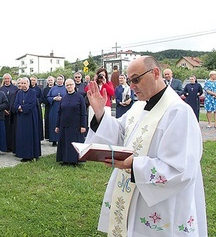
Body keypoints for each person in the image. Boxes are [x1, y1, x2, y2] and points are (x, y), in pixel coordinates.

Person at [85, 56, 207, 236]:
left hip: (162, 204)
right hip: (133, 193)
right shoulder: (138, 107)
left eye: (136, 79)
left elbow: (181, 169)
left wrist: (133, 165)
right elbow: (120, 133)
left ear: (155, 73)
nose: (131, 85)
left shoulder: (179, 112)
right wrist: (100, 113)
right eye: (129, 80)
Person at [54, 79, 86, 166]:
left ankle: (74, 161)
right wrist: (57, 125)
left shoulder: (80, 97)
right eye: (67, 85)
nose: (69, 87)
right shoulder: (64, 98)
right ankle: (65, 159)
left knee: (73, 143)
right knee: (64, 142)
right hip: (64, 124)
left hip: (75, 125)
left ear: (74, 85)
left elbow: (83, 113)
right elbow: (59, 112)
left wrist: (83, 125)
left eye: (71, 85)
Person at [13, 77, 41, 162]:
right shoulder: (19, 93)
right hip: (21, 118)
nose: (23, 85)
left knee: (30, 135)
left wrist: (22, 108)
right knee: (22, 135)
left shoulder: (33, 92)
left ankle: (31, 155)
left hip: (30, 117)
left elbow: (32, 104)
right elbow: (15, 104)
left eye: (24, 83)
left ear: (28, 84)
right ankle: (23, 155)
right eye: (21, 83)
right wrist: (19, 108)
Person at [0, 73, 19, 152]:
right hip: (3, 112)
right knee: (5, 130)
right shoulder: (1, 89)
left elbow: (16, 99)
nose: (7, 80)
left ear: (10, 79)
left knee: (12, 129)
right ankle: (5, 146)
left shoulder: (15, 88)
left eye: (8, 79)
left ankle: (12, 146)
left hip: (12, 112)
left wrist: (11, 110)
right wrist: (4, 110)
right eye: (5, 79)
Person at [47, 75, 67, 146]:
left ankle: (62, 140)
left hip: (63, 108)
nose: (59, 80)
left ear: (63, 80)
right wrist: (54, 98)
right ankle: (54, 140)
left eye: (60, 79)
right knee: (54, 123)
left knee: (62, 123)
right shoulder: (53, 89)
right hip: (54, 108)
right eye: (58, 79)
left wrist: (63, 99)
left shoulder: (66, 88)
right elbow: (48, 97)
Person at [30, 75, 44, 140]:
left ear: (36, 81)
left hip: (37, 107)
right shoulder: (28, 88)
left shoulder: (38, 89)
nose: (32, 81)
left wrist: (35, 100)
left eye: (34, 80)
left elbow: (42, 98)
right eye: (31, 80)